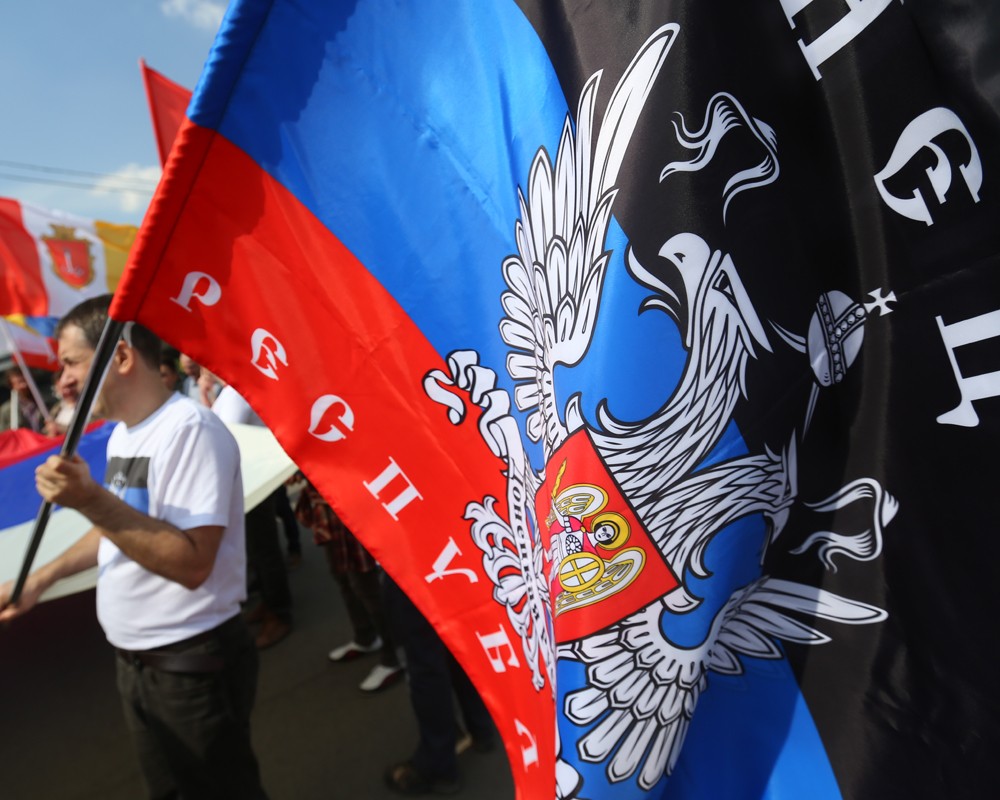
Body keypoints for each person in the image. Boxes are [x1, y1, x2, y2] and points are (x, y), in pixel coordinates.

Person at [0, 295, 268, 799]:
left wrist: (91, 499)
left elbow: (192, 564)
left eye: (71, 363)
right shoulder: (124, 435)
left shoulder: (190, 431)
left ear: (120, 356)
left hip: (189, 666)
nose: (62, 381)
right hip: (139, 664)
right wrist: (41, 578)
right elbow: (120, 528)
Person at [382, 576, 495, 795]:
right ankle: (481, 726)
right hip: (446, 561)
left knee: (425, 660)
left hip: (409, 565)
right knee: (458, 638)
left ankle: (438, 763)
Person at [294, 481, 403, 692]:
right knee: (342, 577)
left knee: (368, 586)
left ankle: (395, 656)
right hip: (326, 505)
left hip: (349, 500)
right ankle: (366, 636)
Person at [210, 381, 294, 649]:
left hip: (253, 484)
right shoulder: (228, 392)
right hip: (243, 486)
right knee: (257, 552)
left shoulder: (236, 393)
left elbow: (226, 436)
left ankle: (279, 614)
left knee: (265, 551)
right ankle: (269, 604)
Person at [0, 367, 46, 433]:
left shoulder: (44, 403)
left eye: (26, 380)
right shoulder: (7, 410)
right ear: (12, 386)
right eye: (20, 382)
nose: (24, 385)